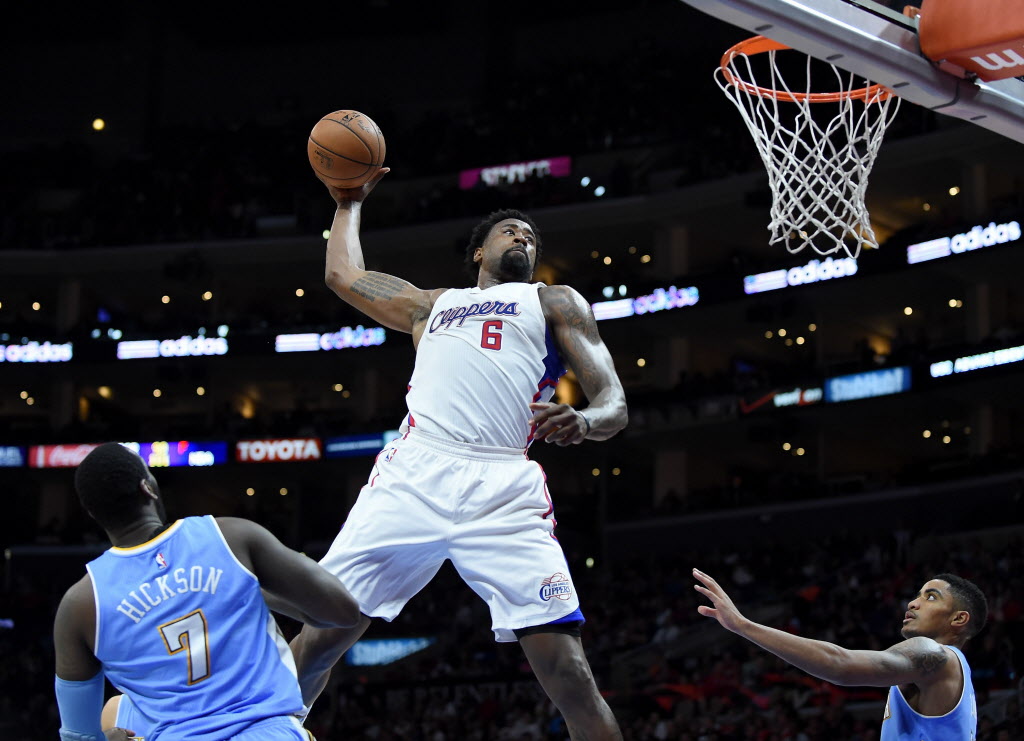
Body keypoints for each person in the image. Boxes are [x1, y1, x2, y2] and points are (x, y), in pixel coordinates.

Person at [290, 168, 628, 739]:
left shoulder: (554, 302)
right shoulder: (431, 306)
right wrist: (348, 202)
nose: (522, 237)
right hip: (414, 473)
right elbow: (343, 274)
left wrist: (586, 420)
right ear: (479, 252)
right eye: (510, 231)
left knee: (569, 673)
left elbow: (613, 402)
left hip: (502, 487)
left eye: (530, 236)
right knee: (319, 638)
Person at [54, 442, 361, 741]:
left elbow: (78, 735)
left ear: (92, 513)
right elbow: (342, 611)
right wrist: (253, 587)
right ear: (148, 487)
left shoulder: (80, 604)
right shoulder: (230, 537)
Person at [693, 568, 987, 739]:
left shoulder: (935, 655)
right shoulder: (955, 676)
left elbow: (841, 664)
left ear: (959, 619)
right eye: (918, 594)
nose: (912, 603)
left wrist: (743, 625)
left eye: (930, 597)